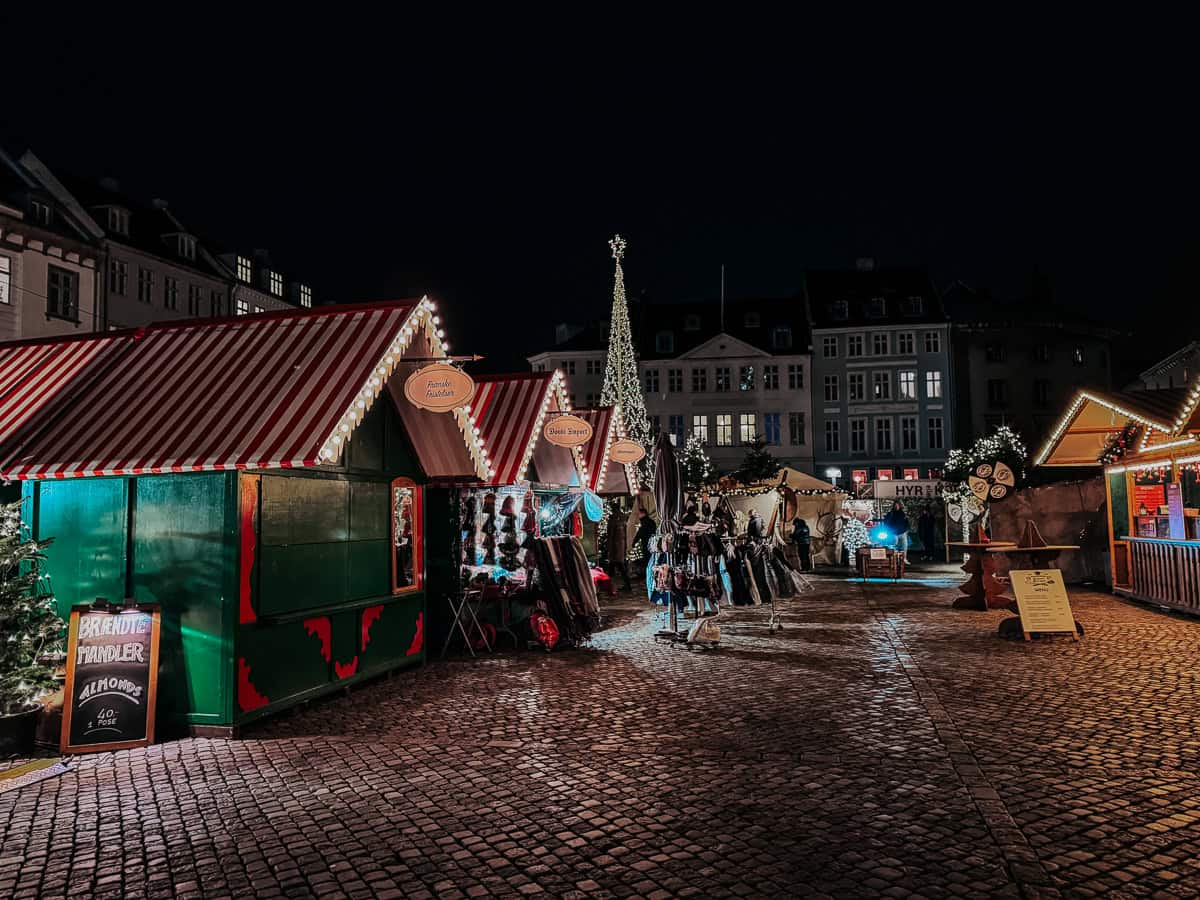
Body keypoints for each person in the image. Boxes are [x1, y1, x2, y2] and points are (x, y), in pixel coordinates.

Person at [605, 503, 633, 591]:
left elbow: (611, 534)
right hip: (621, 545)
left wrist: (609, 547)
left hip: (615, 547)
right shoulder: (623, 517)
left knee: (617, 566)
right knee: (616, 566)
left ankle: (609, 586)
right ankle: (624, 585)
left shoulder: (613, 518)